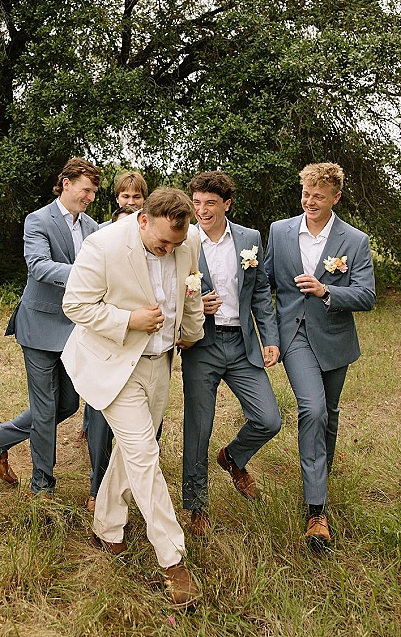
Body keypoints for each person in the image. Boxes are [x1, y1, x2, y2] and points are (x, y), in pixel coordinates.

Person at [62, 188, 205, 608]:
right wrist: (129, 319)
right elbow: (76, 305)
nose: (170, 250)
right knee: (144, 454)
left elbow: (191, 293)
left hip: (161, 363)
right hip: (114, 363)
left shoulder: (188, 241)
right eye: (163, 242)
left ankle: (106, 528)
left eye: (176, 245)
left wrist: (192, 334)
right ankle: (173, 561)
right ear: (143, 220)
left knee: (131, 454)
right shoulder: (102, 245)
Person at [264, 163, 375, 548]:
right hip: (293, 335)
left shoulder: (355, 240)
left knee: (329, 412)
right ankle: (316, 510)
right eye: (306, 194)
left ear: (336, 198)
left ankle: (319, 480)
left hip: (334, 339)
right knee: (312, 409)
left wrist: (326, 291)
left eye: (318, 196)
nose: (309, 202)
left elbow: (366, 295)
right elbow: (264, 283)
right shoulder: (279, 231)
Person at [0, 157, 101, 495]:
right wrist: (89, 277)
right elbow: (40, 267)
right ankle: (42, 486)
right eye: (85, 190)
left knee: (68, 405)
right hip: (41, 326)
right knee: (45, 410)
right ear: (66, 182)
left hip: (76, 329)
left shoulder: (93, 227)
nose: (88, 197)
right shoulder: (38, 219)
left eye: (93, 193)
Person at [180, 172, 281, 535]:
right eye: (198, 204)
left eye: (210, 203)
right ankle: (197, 506)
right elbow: (167, 288)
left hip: (241, 345)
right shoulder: (184, 240)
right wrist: (194, 306)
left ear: (227, 204)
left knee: (269, 419)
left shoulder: (250, 239)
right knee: (198, 429)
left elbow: (260, 291)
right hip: (201, 345)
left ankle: (233, 457)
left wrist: (269, 336)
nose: (202, 211)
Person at [83, 204, 138, 514]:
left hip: (141, 358)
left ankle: (126, 493)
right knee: (100, 425)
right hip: (103, 354)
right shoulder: (99, 262)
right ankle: (97, 488)